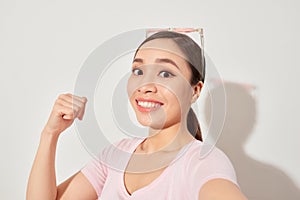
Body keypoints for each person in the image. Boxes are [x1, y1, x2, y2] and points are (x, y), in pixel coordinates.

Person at [26, 31, 248, 200]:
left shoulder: (203, 161)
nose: (145, 85)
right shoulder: (115, 155)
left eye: (165, 73)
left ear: (195, 90)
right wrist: (50, 134)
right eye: (138, 71)